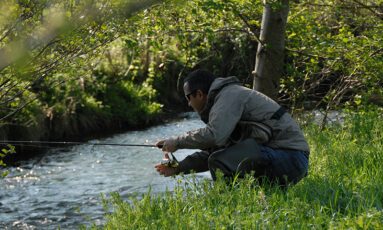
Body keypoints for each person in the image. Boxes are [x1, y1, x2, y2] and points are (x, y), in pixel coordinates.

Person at [155, 69, 310, 185]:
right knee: (220, 156)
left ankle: (228, 207)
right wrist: (177, 168)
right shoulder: (225, 99)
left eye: (188, 97)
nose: (188, 103)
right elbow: (213, 150)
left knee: (220, 160)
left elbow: (214, 136)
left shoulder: (229, 95)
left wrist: (176, 141)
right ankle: (238, 206)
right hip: (287, 158)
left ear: (200, 94)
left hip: (290, 157)